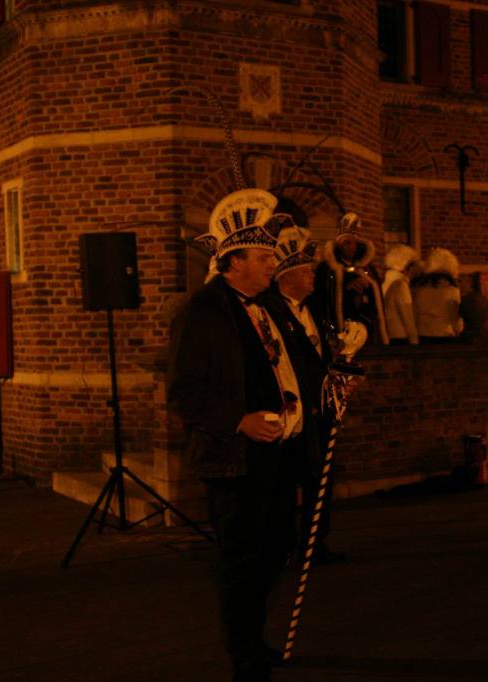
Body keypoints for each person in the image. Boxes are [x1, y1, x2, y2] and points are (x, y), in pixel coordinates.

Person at [168, 188, 308, 681]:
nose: (273, 264)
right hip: (236, 458)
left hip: (280, 453)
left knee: (276, 547)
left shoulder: (271, 305)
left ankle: (254, 636)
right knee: (242, 558)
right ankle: (244, 652)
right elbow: (184, 393)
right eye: (263, 257)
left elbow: (296, 366)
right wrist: (238, 419)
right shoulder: (203, 311)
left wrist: (335, 377)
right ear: (233, 262)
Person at [260, 225, 346, 565]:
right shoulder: (271, 311)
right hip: (292, 411)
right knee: (284, 484)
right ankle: (282, 545)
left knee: (320, 479)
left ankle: (315, 543)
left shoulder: (314, 310)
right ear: (287, 276)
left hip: (320, 411)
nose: (312, 276)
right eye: (306, 271)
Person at [312, 212, 388, 343]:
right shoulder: (326, 269)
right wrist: (346, 287)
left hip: (364, 326)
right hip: (337, 326)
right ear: (338, 246)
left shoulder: (367, 269)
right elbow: (322, 296)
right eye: (345, 243)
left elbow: (376, 299)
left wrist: (366, 286)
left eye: (352, 243)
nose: (349, 247)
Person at [412, 247, 463, 340]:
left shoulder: (419, 289)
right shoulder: (452, 291)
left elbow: (414, 312)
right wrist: (459, 330)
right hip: (444, 334)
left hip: (422, 333)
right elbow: (455, 316)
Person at [383, 244, 420, 345]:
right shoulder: (400, 285)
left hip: (389, 334)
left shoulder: (386, 280)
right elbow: (407, 315)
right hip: (400, 336)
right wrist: (414, 339)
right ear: (408, 267)